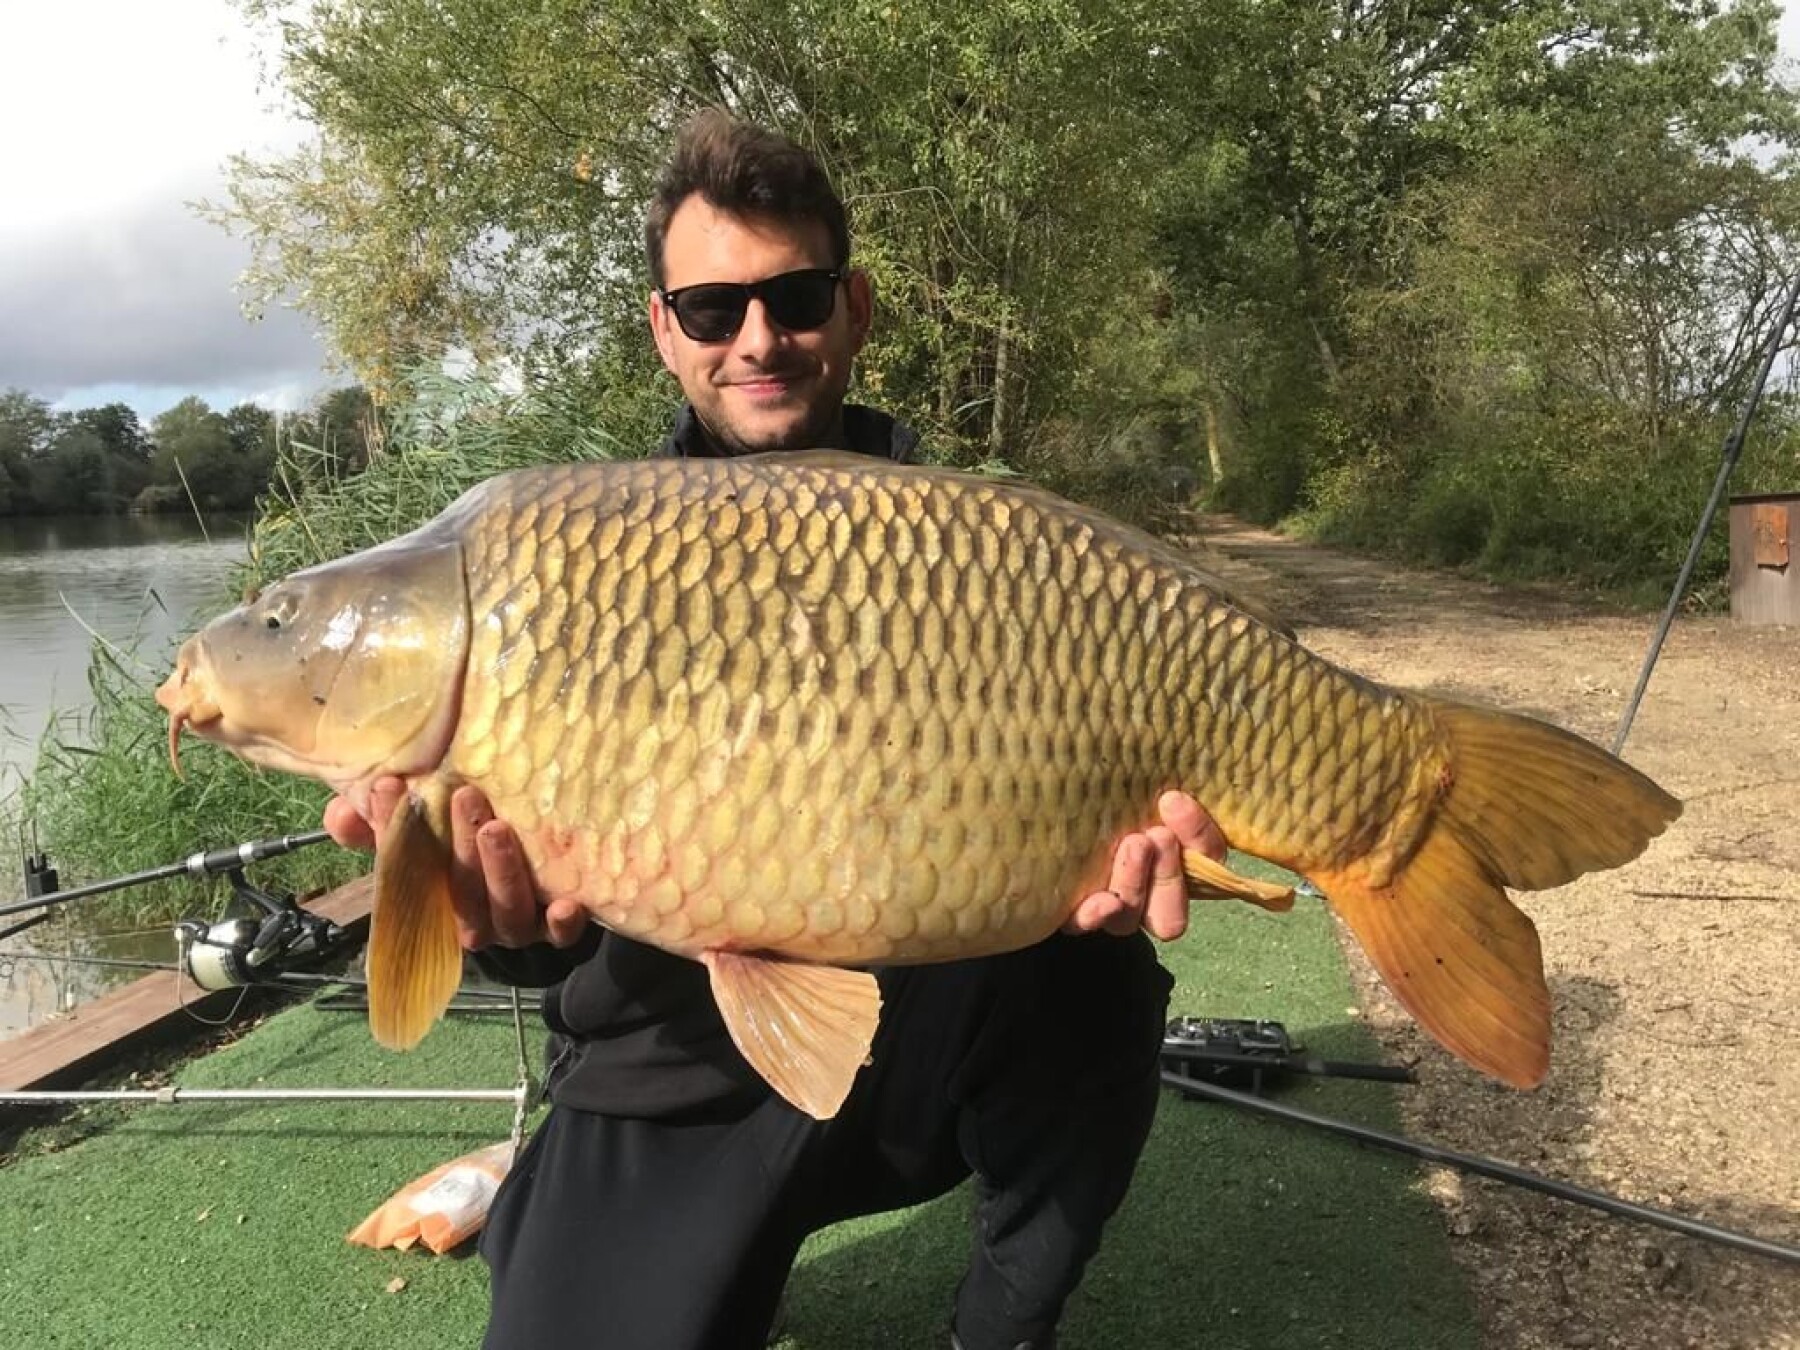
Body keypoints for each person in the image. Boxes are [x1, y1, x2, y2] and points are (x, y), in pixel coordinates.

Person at [325, 110, 1227, 1350]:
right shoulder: (569, 567)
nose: (758, 339)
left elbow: (1131, 787)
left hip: (925, 1052)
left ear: (853, 310)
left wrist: (1130, 851)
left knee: (1093, 976)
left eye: (794, 298)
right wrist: (505, 933)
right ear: (665, 331)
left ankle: (1004, 1328)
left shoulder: (975, 559)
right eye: (712, 310)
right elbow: (536, 940)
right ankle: (579, 1210)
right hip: (674, 1074)